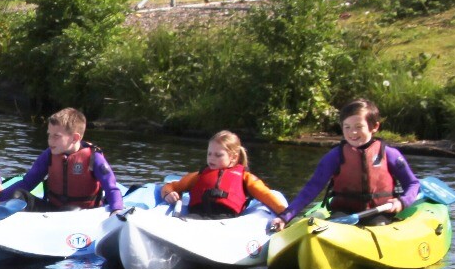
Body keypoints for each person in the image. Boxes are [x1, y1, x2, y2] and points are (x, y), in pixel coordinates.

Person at [276, 98, 421, 229]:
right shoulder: (334, 156)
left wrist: (402, 202)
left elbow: (413, 184)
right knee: (334, 226)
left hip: (380, 212)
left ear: (374, 127)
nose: (352, 133)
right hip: (344, 213)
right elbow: (312, 188)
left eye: (359, 127)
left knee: (378, 224)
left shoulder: (389, 154)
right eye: (347, 127)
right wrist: (285, 217)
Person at [0, 107, 122, 212]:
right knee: (18, 194)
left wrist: (116, 210)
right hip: (52, 211)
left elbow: (112, 188)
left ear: (75, 138)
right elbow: (27, 183)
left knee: (71, 209)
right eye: (49, 135)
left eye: (56, 136)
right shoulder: (49, 155)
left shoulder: (94, 158)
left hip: (82, 215)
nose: (50, 141)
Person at [159, 130, 287, 220]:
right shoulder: (199, 176)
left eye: (218, 155)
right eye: (209, 154)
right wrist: (167, 194)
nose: (211, 158)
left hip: (227, 221)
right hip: (195, 218)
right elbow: (171, 186)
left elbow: (265, 195)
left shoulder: (245, 177)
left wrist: (285, 216)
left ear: (233, 157)